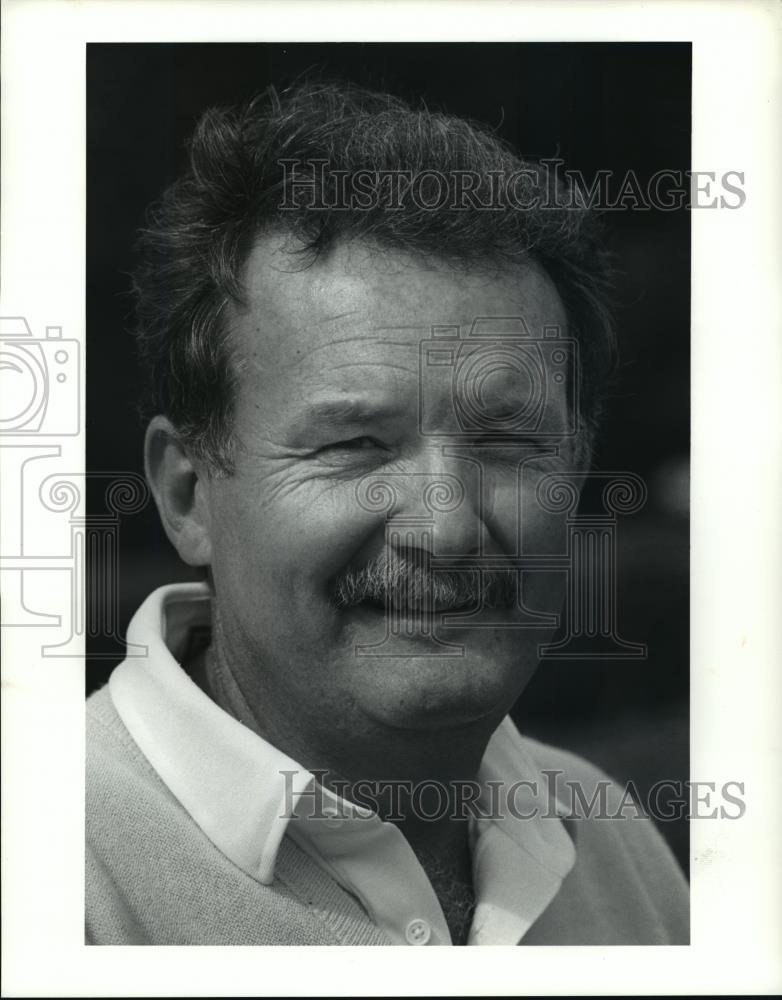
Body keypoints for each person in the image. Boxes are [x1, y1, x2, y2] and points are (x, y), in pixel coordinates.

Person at [86, 82, 688, 946]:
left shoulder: (611, 842)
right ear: (188, 495)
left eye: (508, 441)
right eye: (357, 443)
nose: (444, 532)